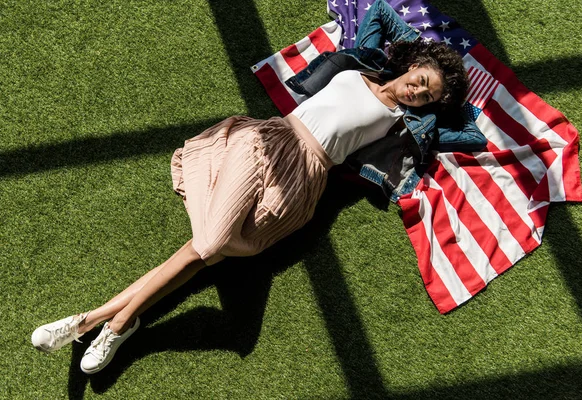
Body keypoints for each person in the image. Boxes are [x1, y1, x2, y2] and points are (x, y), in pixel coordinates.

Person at [31, 0, 486, 374]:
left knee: (206, 249)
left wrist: (444, 111)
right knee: (211, 245)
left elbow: (474, 136)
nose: (415, 93)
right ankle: (109, 323)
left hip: (304, 176)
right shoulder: (361, 65)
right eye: (420, 81)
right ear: (414, 65)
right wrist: (417, 52)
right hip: (266, 141)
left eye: (426, 96)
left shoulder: (402, 124)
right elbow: (381, 12)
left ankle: (94, 322)